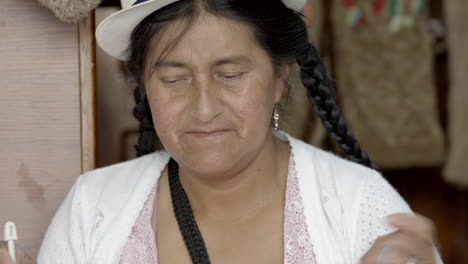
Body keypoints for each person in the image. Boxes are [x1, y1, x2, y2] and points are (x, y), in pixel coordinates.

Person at [1, 0, 443, 263]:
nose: (204, 107)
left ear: (278, 78)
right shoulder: (92, 207)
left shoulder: (360, 206)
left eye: (230, 74)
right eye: (174, 79)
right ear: (143, 86)